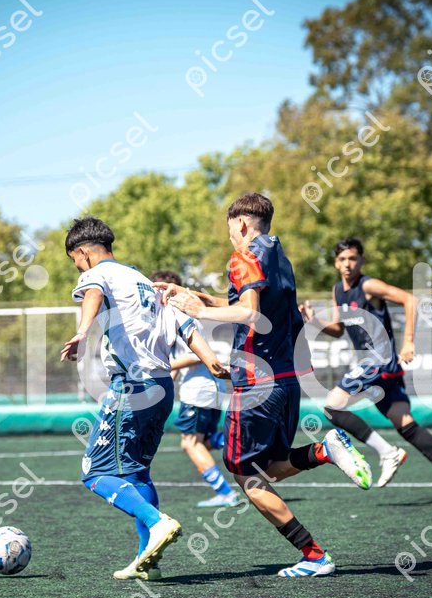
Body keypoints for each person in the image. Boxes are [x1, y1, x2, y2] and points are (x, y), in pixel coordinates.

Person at [157, 193, 372, 578]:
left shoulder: (243, 256)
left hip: (257, 383)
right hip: (287, 381)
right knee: (268, 468)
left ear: (240, 224)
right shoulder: (278, 256)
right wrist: (199, 298)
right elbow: (255, 305)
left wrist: (200, 311)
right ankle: (323, 451)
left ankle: (314, 555)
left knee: (246, 475)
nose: (229, 236)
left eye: (229, 228)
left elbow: (250, 312)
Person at [61, 217, 229, 581]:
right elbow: (185, 324)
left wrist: (82, 333)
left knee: (94, 473)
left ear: (83, 253)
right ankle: (145, 560)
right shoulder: (146, 282)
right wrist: (211, 360)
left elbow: (93, 293)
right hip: (162, 387)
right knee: (137, 472)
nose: (78, 269)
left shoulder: (99, 274)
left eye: (76, 262)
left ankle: (156, 522)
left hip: (131, 387)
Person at [301, 237, 432, 506]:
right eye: (342, 259)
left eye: (353, 258)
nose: (348, 264)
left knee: (332, 407)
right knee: (404, 424)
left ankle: (387, 452)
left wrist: (408, 341)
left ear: (361, 261)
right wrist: (313, 320)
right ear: (335, 263)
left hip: (378, 362)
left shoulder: (368, 286)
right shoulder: (338, 291)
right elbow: (338, 330)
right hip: (376, 367)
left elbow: (410, 300)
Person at [151, 270, 240, 508]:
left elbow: (195, 355)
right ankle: (237, 441)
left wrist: (160, 366)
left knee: (190, 443)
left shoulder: (177, 314)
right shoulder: (175, 315)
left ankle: (226, 493)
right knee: (206, 440)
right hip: (210, 389)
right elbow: (177, 359)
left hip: (199, 390)